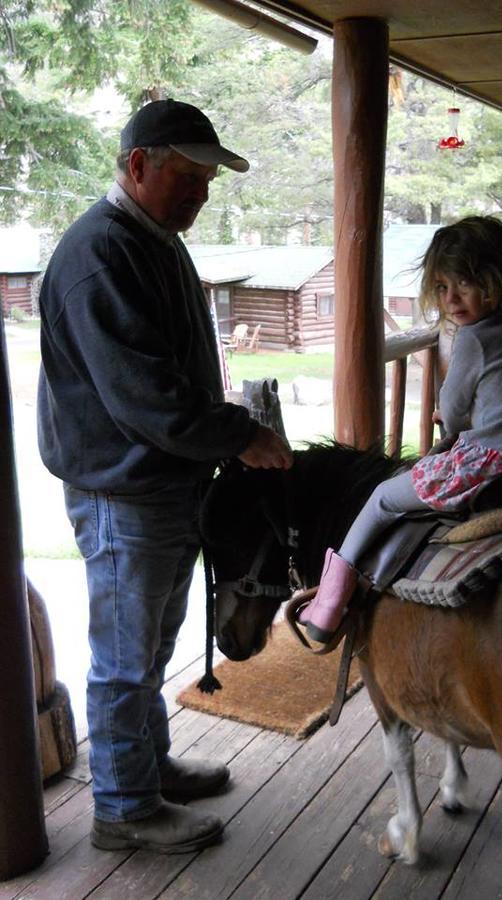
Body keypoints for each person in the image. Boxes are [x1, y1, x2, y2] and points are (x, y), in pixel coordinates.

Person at [37, 99, 293, 854]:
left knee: (148, 647)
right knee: (124, 655)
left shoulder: (151, 239)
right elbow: (142, 394)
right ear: (139, 165)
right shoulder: (98, 255)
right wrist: (242, 436)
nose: (201, 193)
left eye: (208, 180)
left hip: (161, 483)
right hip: (123, 490)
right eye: (188, 176)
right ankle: (123, 806)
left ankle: (147, 771)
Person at [299, 215, 502, 644]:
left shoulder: (475, 336)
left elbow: (456, 412)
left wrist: (449, 418)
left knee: (384, 497)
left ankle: (328, 603)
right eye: (443, 287)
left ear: (497, 280)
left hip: (493, 465)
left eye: (465, 283)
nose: (452, 298)